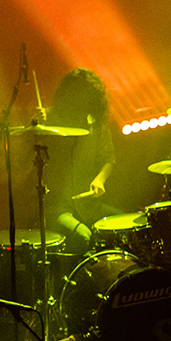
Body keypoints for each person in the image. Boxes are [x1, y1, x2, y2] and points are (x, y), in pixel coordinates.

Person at [44, 68, 116, 253]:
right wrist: (39, 122)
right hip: (59, 208)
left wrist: (100, 179)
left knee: (128, 224)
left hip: (90, 206)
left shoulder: (97, 126)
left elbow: (108, 158)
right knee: (84, 236)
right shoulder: (51, 120)